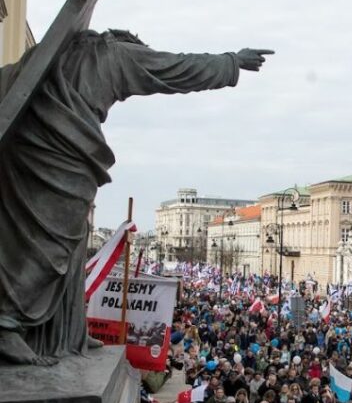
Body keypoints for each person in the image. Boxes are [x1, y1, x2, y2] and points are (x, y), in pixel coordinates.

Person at [0, 30, 272, 366]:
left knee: (70, 240)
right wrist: (231, 62)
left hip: (28, 143)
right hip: (60, 144)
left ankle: (66, 330)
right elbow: (175, 69)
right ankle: (6, 321)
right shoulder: (112, 52)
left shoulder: (53, 51)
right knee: (51, 238)